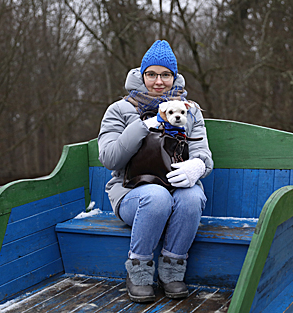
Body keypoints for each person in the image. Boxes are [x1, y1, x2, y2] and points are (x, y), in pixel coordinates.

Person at [97, 40, 213, 303]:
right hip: (132, 194)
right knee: (157, 196)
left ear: (174, 77)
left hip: (176, 184)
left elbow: (202, 152)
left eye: (165, 74)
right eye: (151, 74)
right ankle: (138, 272)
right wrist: (144, 126)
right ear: (141, 74)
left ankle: (172, 270)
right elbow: (110, 158)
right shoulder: (120, 109)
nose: (158, 81)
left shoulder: (190, 110)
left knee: (192, 197)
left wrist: (198, 166)